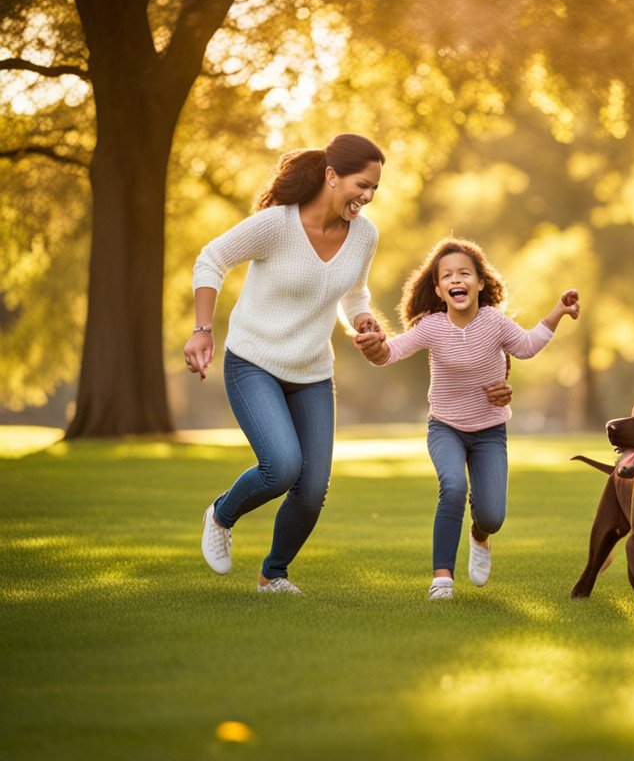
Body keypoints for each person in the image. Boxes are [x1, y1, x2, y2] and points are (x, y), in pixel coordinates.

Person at [187, 134, 512, 594]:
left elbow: (354, 293)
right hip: (254, 361)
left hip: (313, 372)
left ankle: (273, 575)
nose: (367, 196)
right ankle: (221, 515)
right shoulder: (277, 225)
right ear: (331, 176)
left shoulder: (364, 234)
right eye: (362, 184)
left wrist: (364, 321)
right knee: (281, 467)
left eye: (375, 189)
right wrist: (203, 329)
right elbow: (211, 258)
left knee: (313, 488)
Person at [353, 237, 579, 600]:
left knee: (492, 516)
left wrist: (558, 310)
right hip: (445, 428)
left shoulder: (494, 322)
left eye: (464, 273)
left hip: (490, 432)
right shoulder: (431, 326)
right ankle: (442, 578)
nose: (456, 279)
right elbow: (390, 353)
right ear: (440, 290)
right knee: (453, 487)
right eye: (447, 276)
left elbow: (527, 347)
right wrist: (373, 344)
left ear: (480, 283)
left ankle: (480, 535)